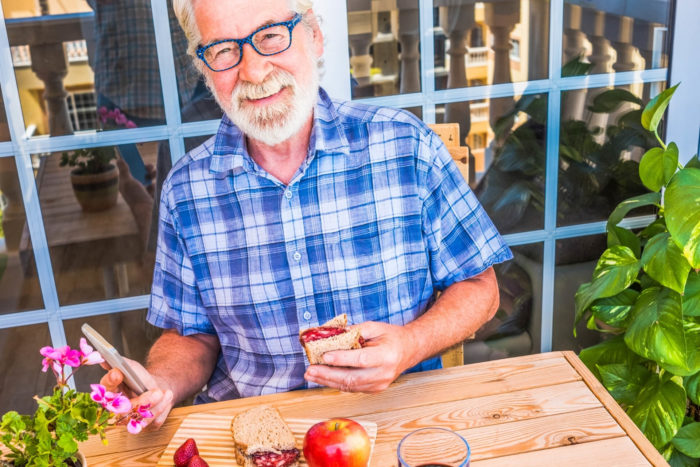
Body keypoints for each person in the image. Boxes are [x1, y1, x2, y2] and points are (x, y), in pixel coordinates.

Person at [101, 0, 513, 430]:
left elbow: (480, 288)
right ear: (204, 67)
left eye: (271, 35)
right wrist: (159, 382)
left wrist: (410, 344)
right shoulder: (186, 190)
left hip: (398, 423)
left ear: (313, 34)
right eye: (224, 50)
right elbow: (191, 335)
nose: (255, 72)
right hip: (253, 435)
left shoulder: (405, 145)